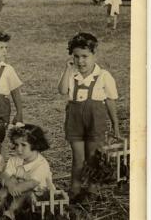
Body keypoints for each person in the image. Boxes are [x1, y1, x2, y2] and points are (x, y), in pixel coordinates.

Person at [58, 32, 120, 203]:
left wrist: (115, 124)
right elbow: (63, 91)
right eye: (76, 57)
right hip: (75, 122)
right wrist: (66, 69)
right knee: (78, 158)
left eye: (85, 56)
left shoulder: (103, 76)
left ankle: (93, 190)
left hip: (96, 121)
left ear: (94, 55)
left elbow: (110, 101)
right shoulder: (72, 74)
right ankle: (75, 189)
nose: (80, 61)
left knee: (93, 157)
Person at [0, 124, 51, 219]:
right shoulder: (15, 159)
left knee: (24, 189)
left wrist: (15, 185)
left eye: (23, 145)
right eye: (16, 145)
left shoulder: (41, 164)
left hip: (35, 197)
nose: (19, 149)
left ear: (36, 145)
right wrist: (10, 183)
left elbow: (32, 183)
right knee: (5, 187)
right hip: (14, 193)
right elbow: (5, 175)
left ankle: (10, 213)